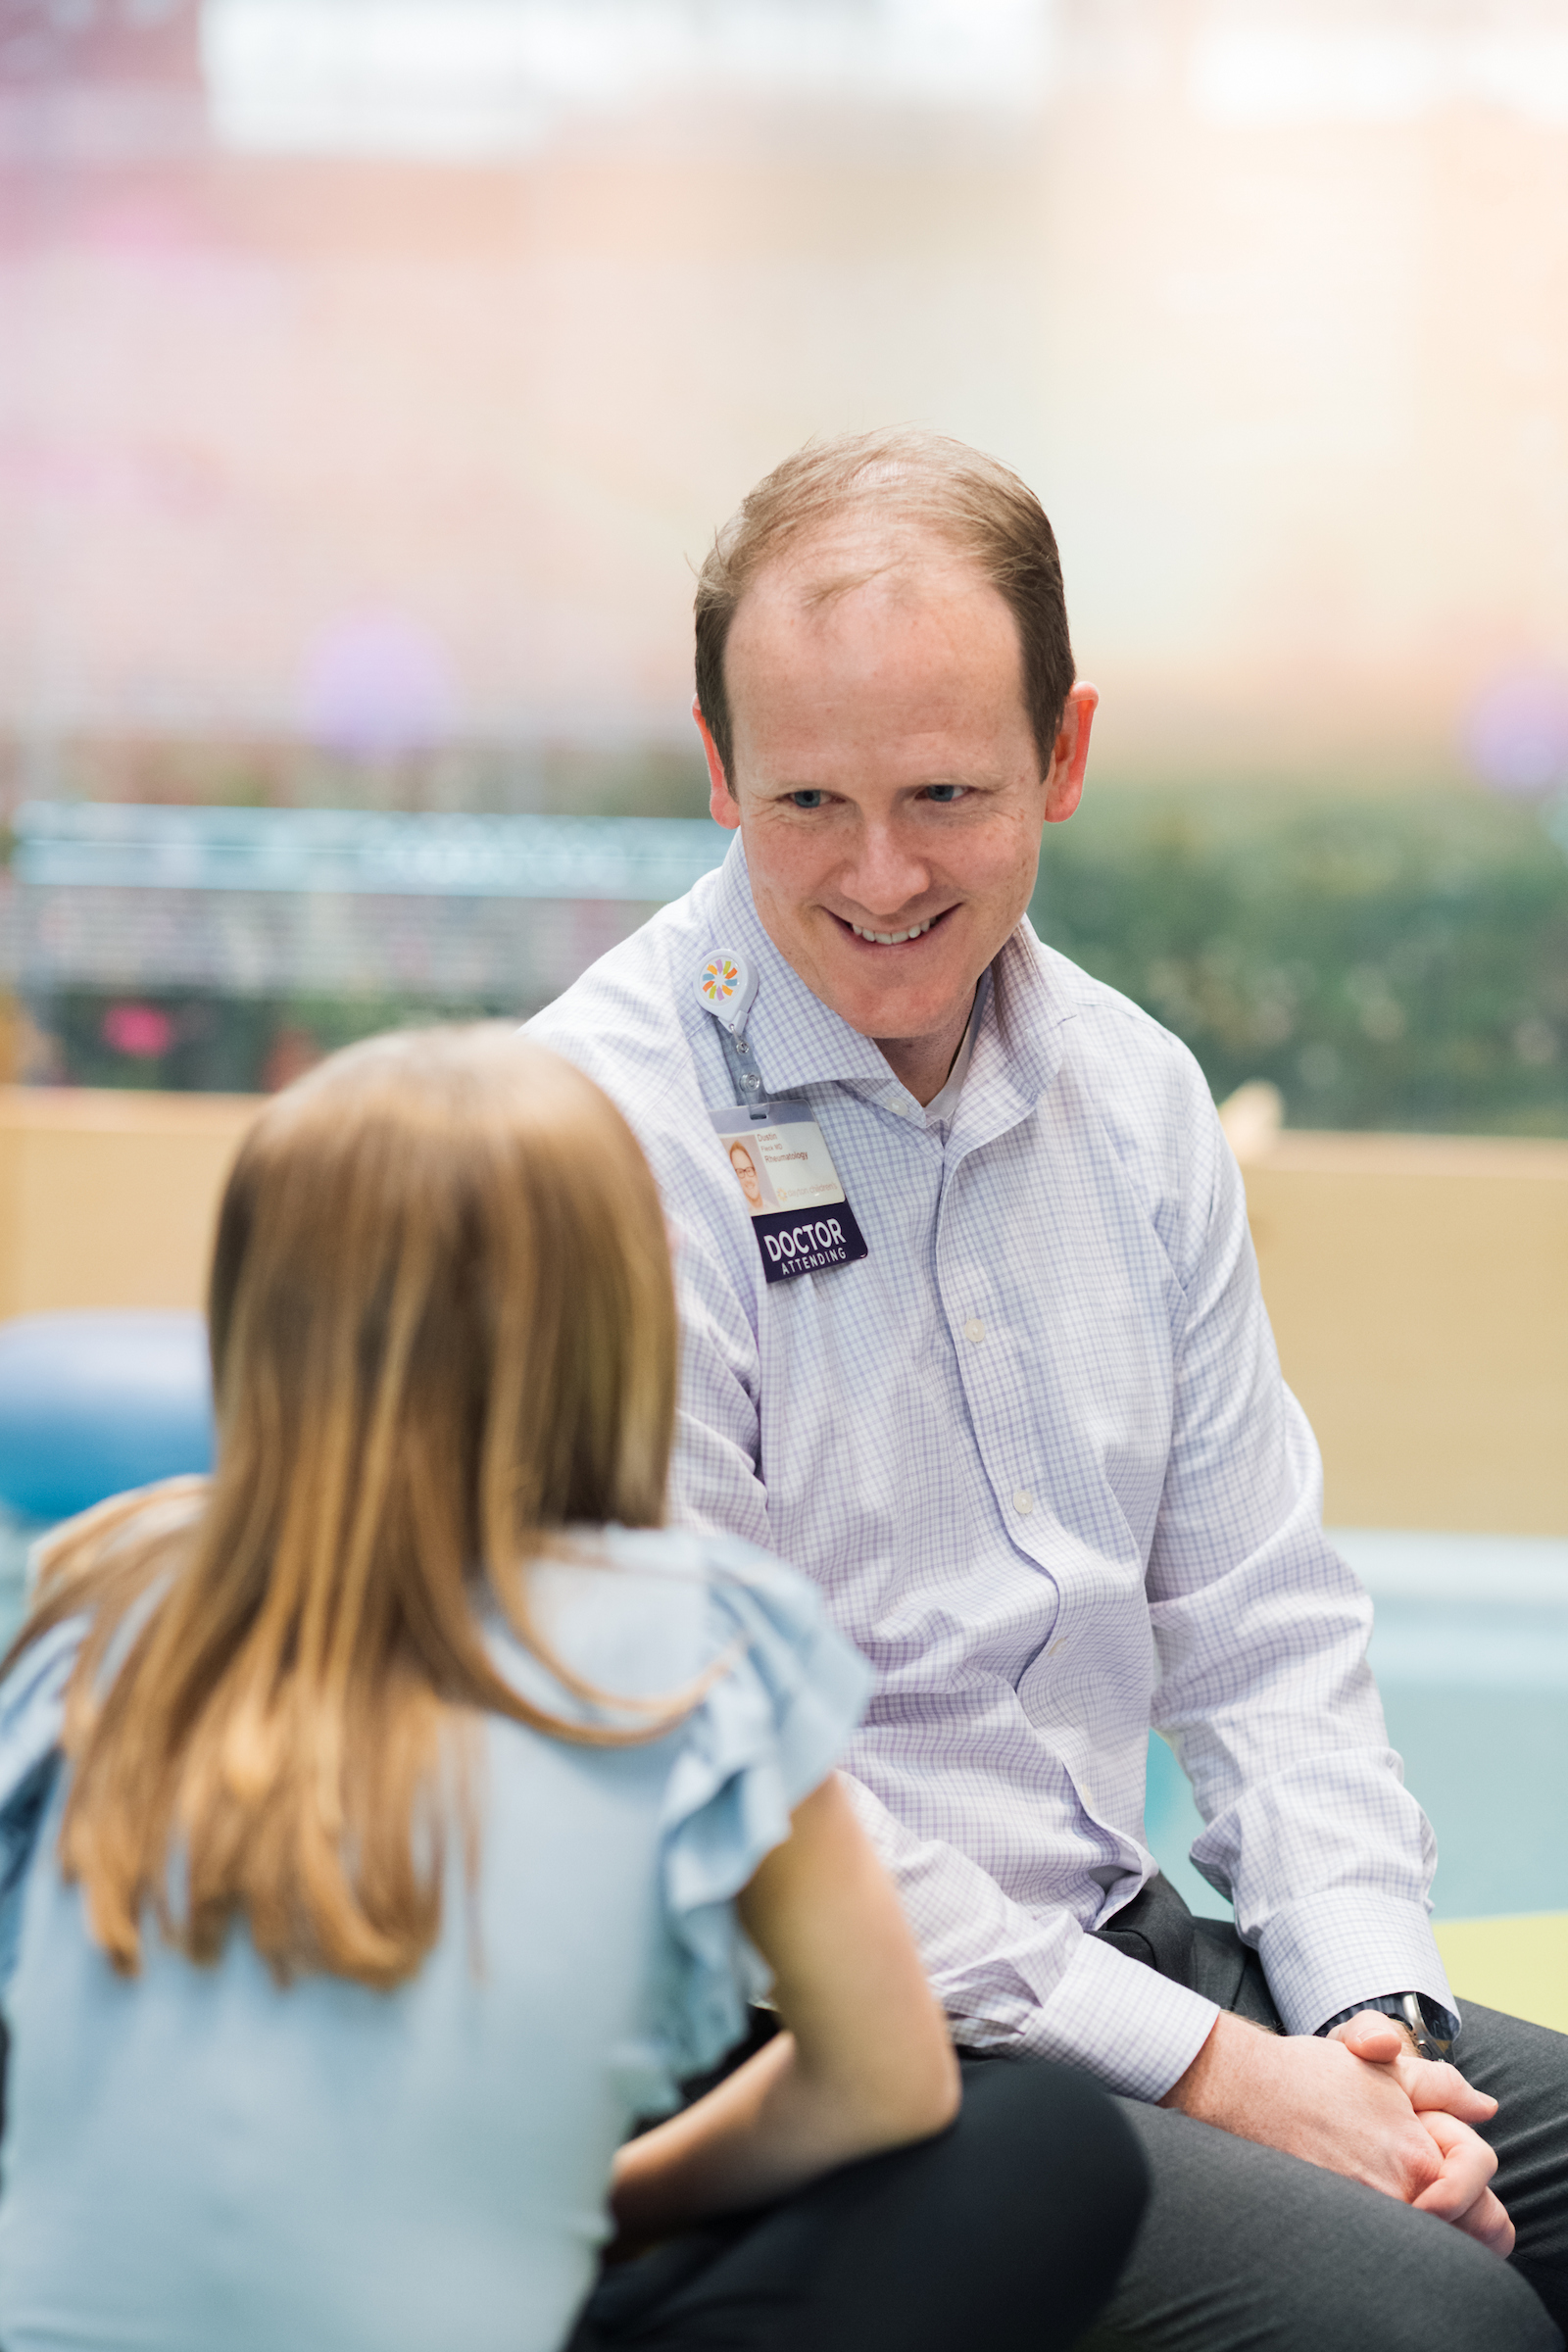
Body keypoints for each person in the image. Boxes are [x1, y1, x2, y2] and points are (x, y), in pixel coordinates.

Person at [530, 429, 1568, 2350]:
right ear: (713, 768)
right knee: (1436, 2327)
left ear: (1063, 755)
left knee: (1494, 2187)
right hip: (799, 2037)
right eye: (804, 802)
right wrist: (1228, 2077)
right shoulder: (594, 1138)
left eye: (944, 792)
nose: (877, 875)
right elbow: (742, 1794)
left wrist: (1362, 2020)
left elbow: (1257, 1631)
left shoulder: (1132, 1101)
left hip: (1108, 1953)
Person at [0, 1025, 1146, 2352]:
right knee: (1046, 2140)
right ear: (616, 1312)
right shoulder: (701, 1645)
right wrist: (608, 2208)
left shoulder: (105, 1590)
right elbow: (880, 2088)